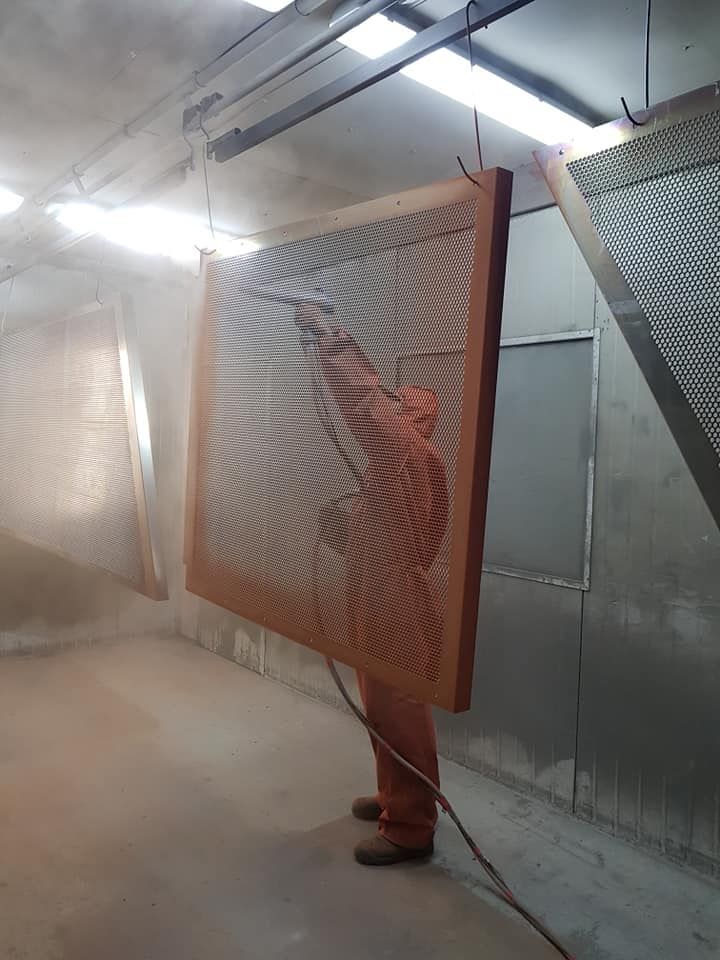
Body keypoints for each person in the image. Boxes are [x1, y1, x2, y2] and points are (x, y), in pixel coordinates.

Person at [295, 303, 449, 866]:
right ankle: (394, 796)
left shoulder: (404, 448)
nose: (387, 407)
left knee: (398, 708)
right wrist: (349, 533)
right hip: (376, 592)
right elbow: (394, 529)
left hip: (394, 603)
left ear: (405, 416)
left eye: (395, 405)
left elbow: (363, 407)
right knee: (379, 707)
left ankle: (411, 827)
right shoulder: (397, 460)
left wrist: (331, 341)